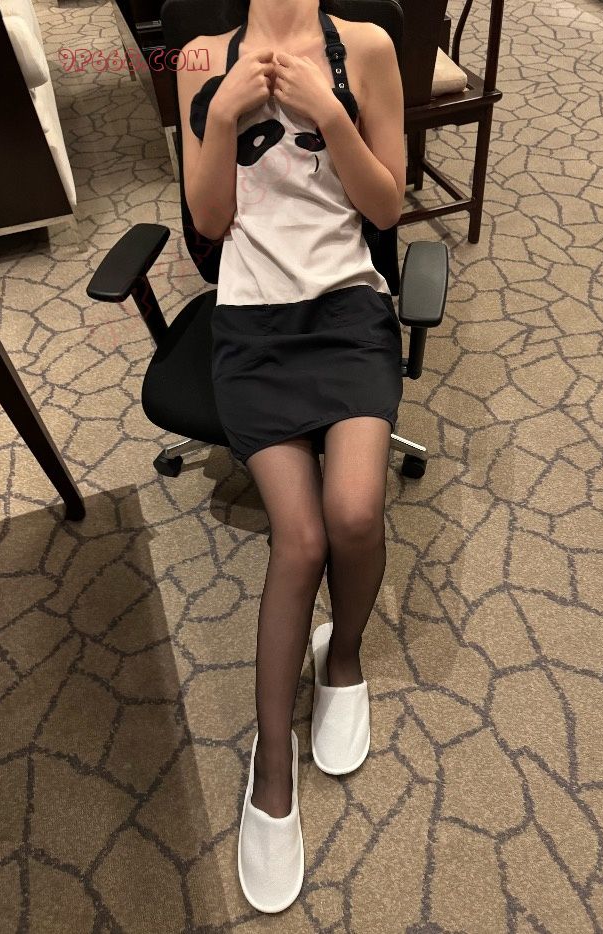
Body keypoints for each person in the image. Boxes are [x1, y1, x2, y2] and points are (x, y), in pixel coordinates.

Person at [176, 0, 405, 912]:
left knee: (355, 513)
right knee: (300, 539)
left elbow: (386, 205)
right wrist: (223, 115)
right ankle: (271, 765)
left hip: (348, 310)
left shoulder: (369, 47)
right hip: (253, 325)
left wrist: (332, 115)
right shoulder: (201, 58)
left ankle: (341, 655)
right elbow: (207, 224)